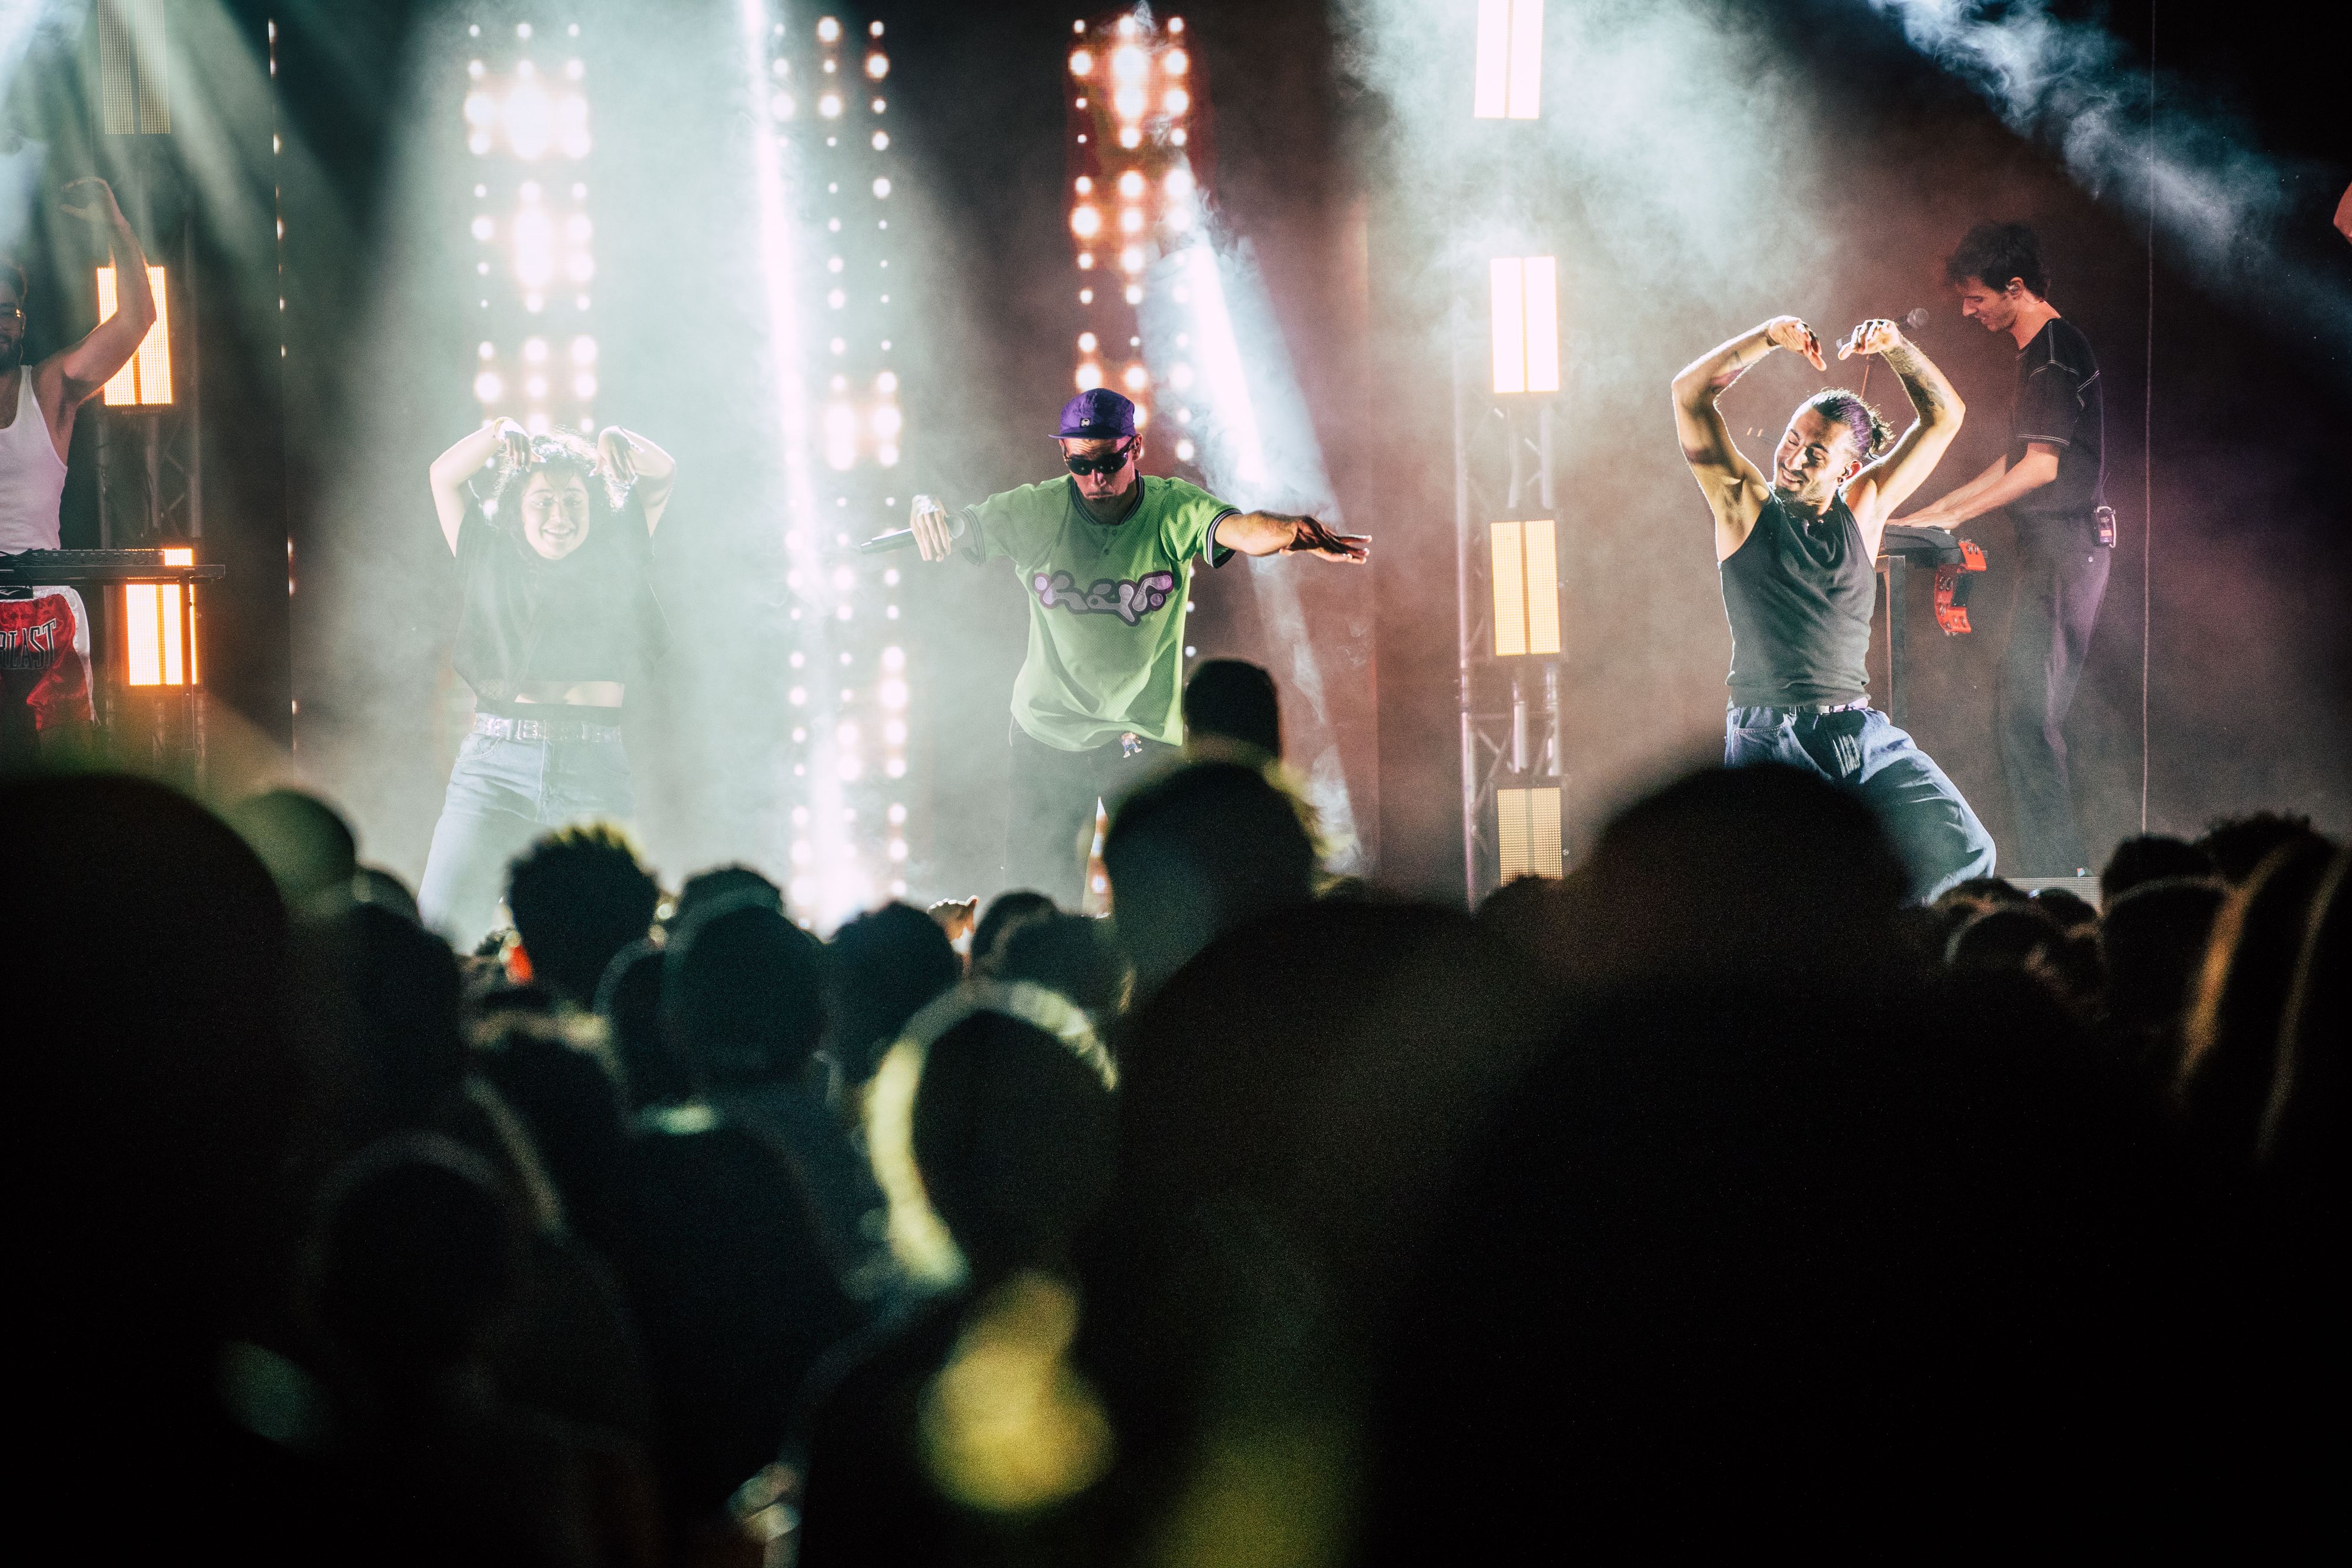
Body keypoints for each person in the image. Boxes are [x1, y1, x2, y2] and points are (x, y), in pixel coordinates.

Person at [904, 388, 1367, 904]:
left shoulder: (1171, 509)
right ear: (1065, 456)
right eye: (1081, 463)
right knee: (1041, 891)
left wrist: (1286, 530)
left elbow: (1238, 528)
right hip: (1051, 732)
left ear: (1135, 449)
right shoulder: (1040, 509)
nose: (1096, 477)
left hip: (1141, 732)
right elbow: (961, 526)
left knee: (1166, 892)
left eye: (1108, 460)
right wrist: (927, 507)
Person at [1671, 312, 1994, 901]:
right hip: (1773, 734)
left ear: (1847, 469)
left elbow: (1946, 416)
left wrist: (1896, 348)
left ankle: (1892, 963)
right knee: (1770, 899)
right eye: (1791, 442)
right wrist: (1767, 337)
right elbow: (1689, 396)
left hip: (1859, 730)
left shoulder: (1864, 507)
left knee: (1966, 849)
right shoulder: (1743, 507)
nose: (1791, 461)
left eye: (1814, 455)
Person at [1898, 223, 2109, 875]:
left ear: (2013, 289)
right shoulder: (2043, 350)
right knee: (2020, 717)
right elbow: (2017, 458)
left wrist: (1950, 513)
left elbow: (2041, 469)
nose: (1968, 311)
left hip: (2067, 549)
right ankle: (2055, 874)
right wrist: (1933, 511)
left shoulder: (2050, 347)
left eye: (1975, 297)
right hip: (2053, 553)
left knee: (2025, 718)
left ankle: (2059, 879)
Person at [417, 419, 674, 945]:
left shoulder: (617, 552)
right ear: (518, 506)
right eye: (544, 501)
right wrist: (497, 434)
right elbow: (443, 477)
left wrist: (619, 439)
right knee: (441, 932)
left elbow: (663, 474)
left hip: (591, 770)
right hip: (494, 771)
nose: (560, 516)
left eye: (574, 500)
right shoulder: (488, 554)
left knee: (610, 941)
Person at [2, 179, 154, 765]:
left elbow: (137, 321)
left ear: (21, 322)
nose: (1, 322)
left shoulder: (50, 388)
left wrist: (116, 227)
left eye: (8, 312)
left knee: (64, 775)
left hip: (45, 614)